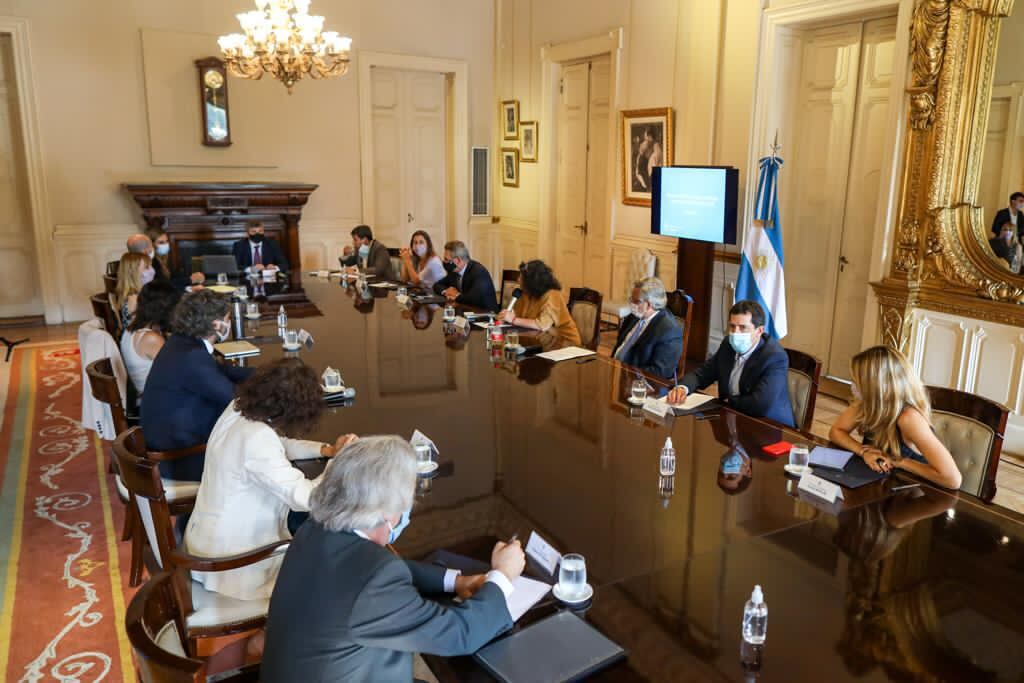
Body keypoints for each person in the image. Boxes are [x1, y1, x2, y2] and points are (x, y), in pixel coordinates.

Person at [261, 435, 524, 682]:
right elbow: (459, 634)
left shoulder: (316, 528)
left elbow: (379, 570)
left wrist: (454, 582)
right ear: (387, 513)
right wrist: (503, 574)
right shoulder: (374, 581)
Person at [185, 360, 358, 601]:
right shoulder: (257, 439)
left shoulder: (238, 409)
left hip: (206, 542)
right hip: (234, 563)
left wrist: (327, 450)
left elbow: (278, 444)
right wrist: (340, 463)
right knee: (329, 568)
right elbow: (308, 499)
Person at [140, 289, 254, 481]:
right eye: (227, 318)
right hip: (180, 458)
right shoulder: (192, 356)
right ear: (216, 324)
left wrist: (271, 374)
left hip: (172, 441)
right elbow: (234, 398)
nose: (229, 323)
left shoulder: (181, 342)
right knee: (256, 461)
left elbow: (222, 371)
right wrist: (275, 390)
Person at [829, 345, 962, 490]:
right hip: (880, 484)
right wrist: (864, 451)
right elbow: (836, 431)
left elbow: (952, 479)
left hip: (913, 492)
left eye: (857, 381)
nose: (853, 385)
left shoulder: (909, 418)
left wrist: (898, 462)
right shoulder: (867, 402)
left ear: (876, 386)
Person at [667, 300, 794, 427]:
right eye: (732, 326)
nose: (735, 333)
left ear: (759, 331)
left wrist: (728, 401)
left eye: (743, 327)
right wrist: (682, 388)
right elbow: (702, 374)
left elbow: (760, 404)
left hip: (768, 426)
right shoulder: (728, 344)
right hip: (731, 418)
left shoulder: (774, 357)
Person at [610, 276, 684, 381]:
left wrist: (626, 374)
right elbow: (620, 345)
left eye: (636, 301)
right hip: (615, 372)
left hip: (640, 384)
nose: (632, 304)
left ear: (649, 304)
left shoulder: (670, 331)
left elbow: (661, 372)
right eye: (631, 299)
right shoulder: (634, 316)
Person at [120, 281, 181, 400]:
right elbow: (177, 372)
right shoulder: (151, 339)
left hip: (148, 393)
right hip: (156, 400)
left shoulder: (131, 330)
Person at [499, 260, 581, 346]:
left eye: (522, 277)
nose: (518, 279)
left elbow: (542, 325)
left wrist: (513, 320)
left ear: (533, 280)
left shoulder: (552, 294)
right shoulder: (526, 293)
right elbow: (519, 316)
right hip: (540, 340)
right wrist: (507, 316)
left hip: (564, 342)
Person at [433, 241, 498, 311]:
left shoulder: (478, 272)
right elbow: (437, 285)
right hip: (465, 312)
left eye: (446, 259)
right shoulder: (454, 272)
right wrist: (446, 291)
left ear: (457, 261)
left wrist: (456, 295)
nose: (444, 262)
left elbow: (472, 299)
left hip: (485, 315)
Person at [112, 251, 153, 330]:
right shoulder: (134, 298)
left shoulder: (136, 293)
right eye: (146, 267)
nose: (151, 270)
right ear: (132, 272)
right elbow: (140, 330)